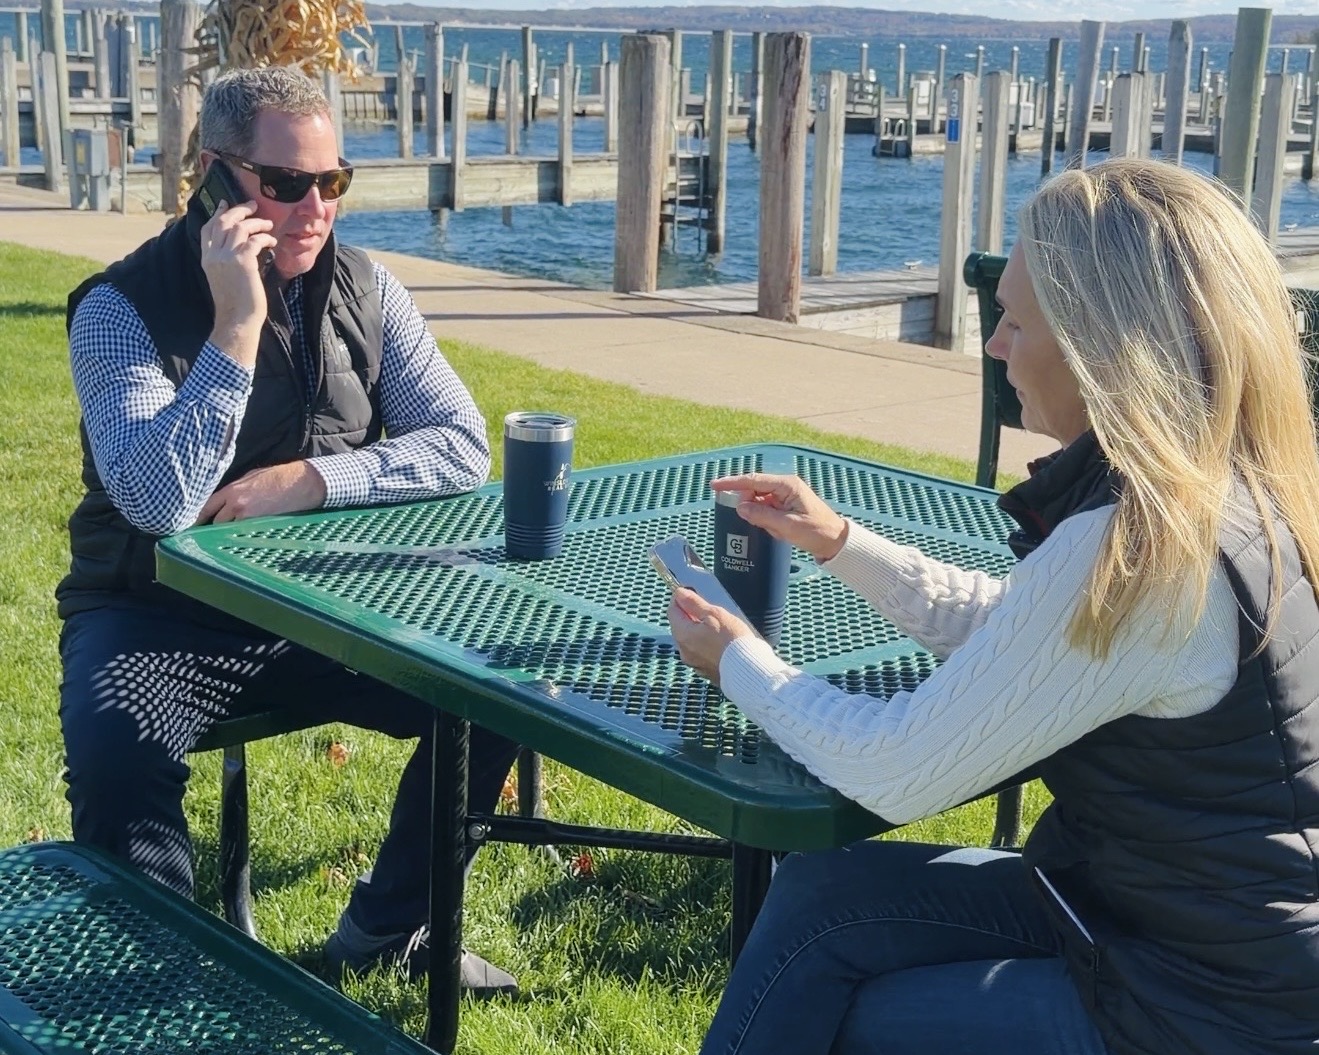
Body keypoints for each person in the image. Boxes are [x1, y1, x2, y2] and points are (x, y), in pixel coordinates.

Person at [670, 157, 1319, 1055]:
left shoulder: (1143, 548)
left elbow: (894, 766)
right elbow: (1037, 644)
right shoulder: (1228, 494)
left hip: (1205, 1011)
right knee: (823, 894)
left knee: (840, 1019)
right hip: (1167, 928)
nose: (992, 345)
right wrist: (843, 543)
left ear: (1103, 343)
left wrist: (737, 659)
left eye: (1013, 319)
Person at [58, 65, 520, 994]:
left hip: (327, 597)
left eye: (332, 181)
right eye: (285, 184)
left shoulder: (369, 288)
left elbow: (461, 445)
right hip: (159, 610)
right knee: (116, 756)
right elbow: (155, 502)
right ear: (217, 175)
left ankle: (387, 927)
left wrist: (310, 479)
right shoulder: (117, 311)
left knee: (498, 682)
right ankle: (164, 983)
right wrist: (235, 327)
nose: (314, 208)